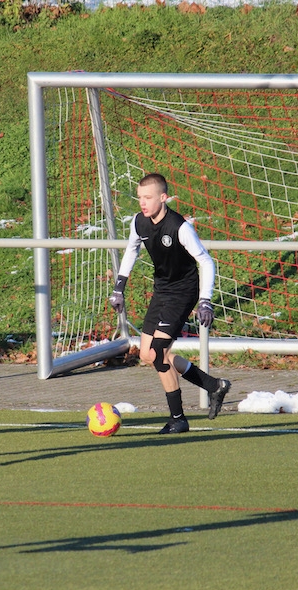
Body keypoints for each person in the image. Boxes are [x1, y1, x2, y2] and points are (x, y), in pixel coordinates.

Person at [107, 173, 231, 434]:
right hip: (162, 290)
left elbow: (206, 261)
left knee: (158, 352)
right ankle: (213, 385)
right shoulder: (139, 222)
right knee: (146, 354)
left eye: (148, 197)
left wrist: (205, 301)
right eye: (140, 197)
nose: (142, 203)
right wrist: (119, 287)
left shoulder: (180, 227)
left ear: (163, 198)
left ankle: (178, 419)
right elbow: (131, 250)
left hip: (184, 292)